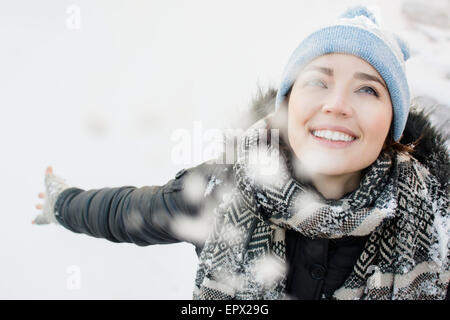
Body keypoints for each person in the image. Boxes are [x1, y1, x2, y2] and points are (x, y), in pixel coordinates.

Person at [34, 6, 449, 300]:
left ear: (392, 123)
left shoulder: (435, 220)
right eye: (318, 82)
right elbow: (127, 212)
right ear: (285, 109)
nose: (338, 104)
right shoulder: (222, 192)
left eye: (367, 89)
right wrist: (63, 203)